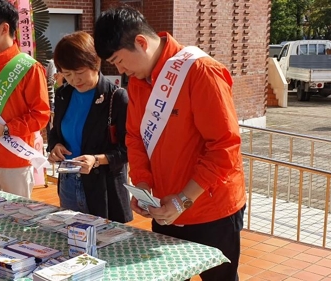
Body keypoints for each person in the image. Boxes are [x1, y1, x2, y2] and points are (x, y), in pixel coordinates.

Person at [94, 6, 246, 280]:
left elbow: (224, 147)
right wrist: (141, 185)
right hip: (166, 208)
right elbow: (135, 138)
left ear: (141, 42)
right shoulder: (139, 81)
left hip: (211, 209)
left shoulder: (200, 71)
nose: (120, 70)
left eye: (119, 61)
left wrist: (184, 200)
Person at [47, 31, 133, 223]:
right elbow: (55, 133)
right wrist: (55, 147)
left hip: (102, 187)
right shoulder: (64, 94)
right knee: (71, 237)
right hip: (68, 182)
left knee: (104, 245)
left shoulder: (116, 97)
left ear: (95, 64)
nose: (75, 80)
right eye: (67, 74)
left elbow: (129, 149)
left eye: (79, 72)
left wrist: (96, 160)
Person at [0, 0, 50, 198]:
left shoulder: (30, 68)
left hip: (16, 160)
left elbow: (41, 116)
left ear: (5, 28)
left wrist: (5, 129)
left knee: (17, 220)